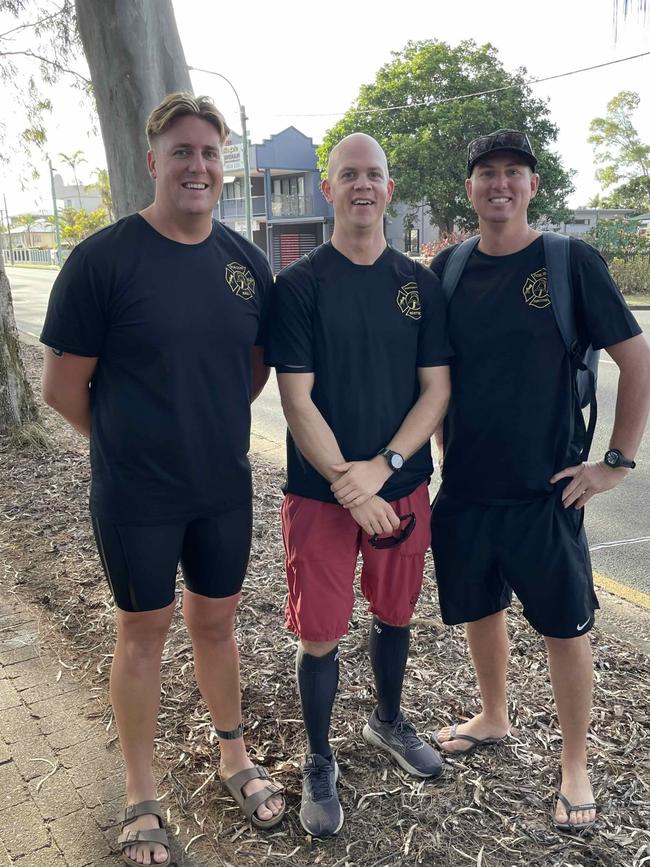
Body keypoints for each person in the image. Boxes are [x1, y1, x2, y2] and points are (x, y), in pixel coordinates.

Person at [40, 92, 284, 867]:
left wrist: (197, 425)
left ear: (225, 167)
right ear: (153, 162)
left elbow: (250, 371)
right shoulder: (102, 260)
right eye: (182, 152)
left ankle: (232, 756)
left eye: (210, 153)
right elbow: (61, 388)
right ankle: (141, 793)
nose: (198, 166)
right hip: (136, 495)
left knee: (217, 624)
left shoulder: (245, 264)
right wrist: (128, 443)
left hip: (221, 487)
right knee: (141, 633)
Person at [429, 129, 650, 834]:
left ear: (533, 187)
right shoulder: (448, 268)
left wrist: (614, 462)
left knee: (564, 626)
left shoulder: (569, 262)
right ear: (470, 188)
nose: (499, 184)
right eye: (486, 173)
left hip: (547, 489)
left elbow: (636, 360)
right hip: (465, 486)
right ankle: (493, 714)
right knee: (481, 606)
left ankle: (575, 762)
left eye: (513, 173)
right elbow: (436, 372)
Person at [265, 132, 452, 837]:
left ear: (390, 188)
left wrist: (387, 470)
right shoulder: (301, 284)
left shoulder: (419, 284)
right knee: (319, 633)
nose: (362, 185)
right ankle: (319, 757)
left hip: (401, 488)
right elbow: (296, 399)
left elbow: (436, 390)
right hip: (321, 496)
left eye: (373, 174)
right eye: (349, 175)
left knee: (396, 614)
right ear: (328, 189)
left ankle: (387, 720)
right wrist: (352, 486)